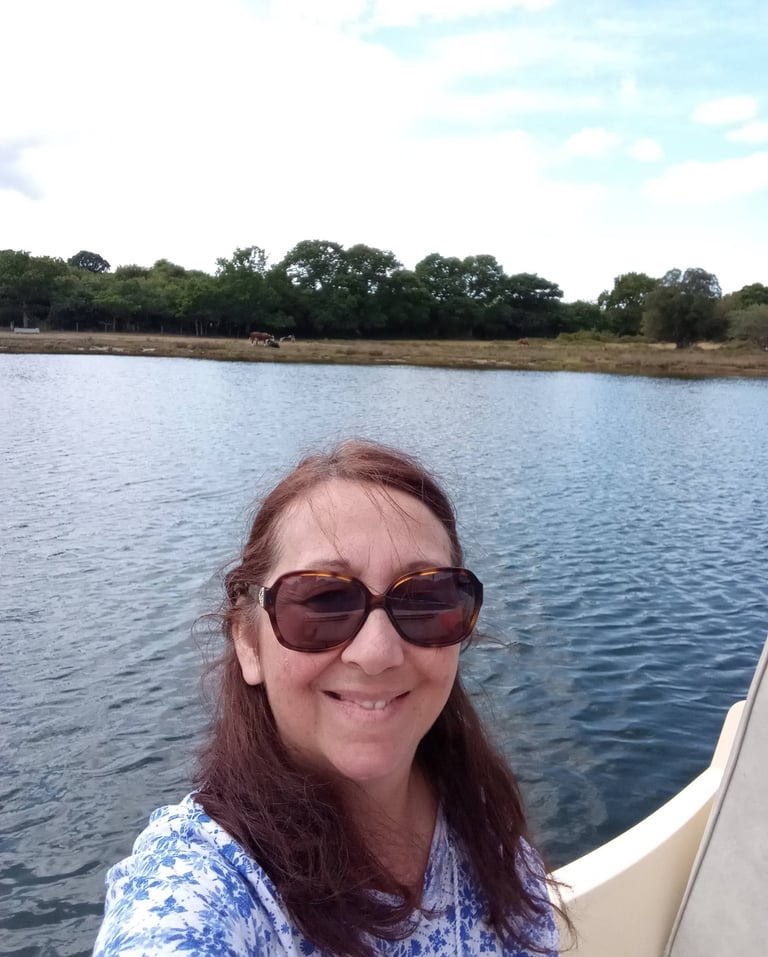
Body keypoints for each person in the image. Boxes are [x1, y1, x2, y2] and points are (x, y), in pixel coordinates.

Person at [94, 440, 565, 956]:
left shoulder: (482, 825)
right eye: (323, 599)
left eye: (425, 600)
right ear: (249, 642)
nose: (377, 652)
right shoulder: (204, 885)